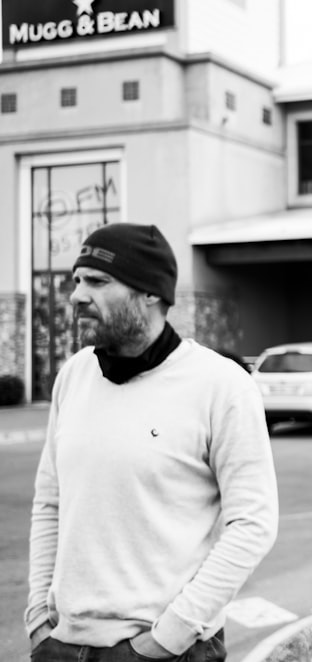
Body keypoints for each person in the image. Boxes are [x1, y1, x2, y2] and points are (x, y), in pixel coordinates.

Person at [25, 223, 279, 662]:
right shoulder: (74, 376)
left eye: (98, 282)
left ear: (151, 294)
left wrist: (167, 639)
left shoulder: (220, 385)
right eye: (77, 281)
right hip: (61, 646)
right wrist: (37, 622)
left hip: (164, 651)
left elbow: (253, 523)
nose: (77, 296)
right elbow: (50, 501)